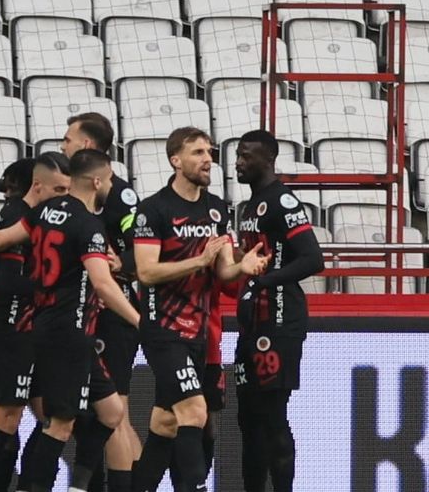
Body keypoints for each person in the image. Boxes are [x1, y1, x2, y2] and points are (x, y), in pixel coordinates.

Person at [0, 113, 142, 492]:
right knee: (59, 424)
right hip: (71, 328)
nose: (63, 144)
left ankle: (78, 486)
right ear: (96, 181)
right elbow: (103, 282)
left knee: (110, 413)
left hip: (63, 327)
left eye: (68, 139)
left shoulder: (44, 211)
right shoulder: (87, 223)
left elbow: (7, 235)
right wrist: (140, 320)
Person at [132, 127, 270, 492]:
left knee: (166, 423)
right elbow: (146, 272)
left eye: (209, 152)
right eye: (197, 153)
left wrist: (243, 266)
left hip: (199, 333)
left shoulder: (216, 208)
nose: (208, 159)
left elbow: (222, 270)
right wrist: (199, 260)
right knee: (195, 411)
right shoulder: (153, 209)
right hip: (163, 330)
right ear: (175, 161)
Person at [0, 153, 71, 492]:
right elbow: (9, 282)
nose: (64, 198)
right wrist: (59, 287)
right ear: (37, 186)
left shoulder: (34, 214)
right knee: (6, 421)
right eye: (58, 190)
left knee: (51, 418)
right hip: (10, 330)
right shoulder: (17, 217)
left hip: (31, 331)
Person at [233, 130, 324, 492]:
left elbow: (313, 258)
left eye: (246, 156)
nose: (238, 162)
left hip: (279, 322)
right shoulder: (249, 205)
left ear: (268, 159)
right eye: (237, 155)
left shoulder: (282, 202)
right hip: (252, 326)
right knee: (248, 420)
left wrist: (265, 282)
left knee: (272, 418)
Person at [168, 279, 238, 490]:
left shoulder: (213, 259)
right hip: (176, 349)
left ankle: (196, 483)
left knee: (209, 428)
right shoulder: (172, 261)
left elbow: (234, 287)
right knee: (178, 422)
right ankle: (182, 486)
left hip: (210, 351)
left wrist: (241, 264)